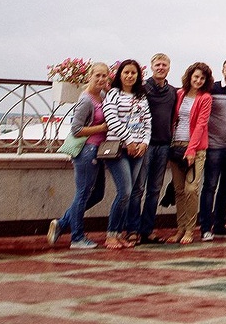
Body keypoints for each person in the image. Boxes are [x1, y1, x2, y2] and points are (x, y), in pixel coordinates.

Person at [47, 61, 113, 249]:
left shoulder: (101, 95)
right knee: (83, 194)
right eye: (97, 75)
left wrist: (108, 90)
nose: (100, 79)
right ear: (90, 76)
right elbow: (76, 130)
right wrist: (100, 128)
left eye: (104, 76)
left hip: (98, 152)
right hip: (86, 151)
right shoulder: (85, 100)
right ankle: (77, 237)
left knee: (97, 194)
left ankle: (62, 223)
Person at [102, 59, 151, 248]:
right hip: (118, 149)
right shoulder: (113, 94)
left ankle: (120, 232)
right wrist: (129, 140)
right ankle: (111, 234)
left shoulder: (141, 96)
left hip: (138, 149)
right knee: (125, 191)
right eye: (126, 72)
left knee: (130, 194)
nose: (130, 76)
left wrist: (144, 143)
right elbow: (111, 119)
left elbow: (147, 121)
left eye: (133, 73)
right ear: (120, 75)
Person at [169, 62, 213, 244]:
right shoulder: (179, 94)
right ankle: (180, 229)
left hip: (196, 149)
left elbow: (201, 125)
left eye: (202, 78)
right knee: (179, 191)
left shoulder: (205, 98)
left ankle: (189, 230)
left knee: (191, 189)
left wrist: (191, 149)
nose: (198, 80)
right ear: (189, 76)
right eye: (196, 77)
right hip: (176, 146)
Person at [199, 58, 226, 241]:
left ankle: (220, 225)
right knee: (209, 187)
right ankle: (206, 227)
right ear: (222, 70)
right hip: (214, 147)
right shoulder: (212, 89)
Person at [137, 53, 177, 244]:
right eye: (157, 65)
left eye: (164, 65)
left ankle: (147, 230)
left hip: (163, 145)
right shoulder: (143, 89)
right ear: (151, 67)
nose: (161, 68)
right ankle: (132, 229)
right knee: (138, 189)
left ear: (169, 68)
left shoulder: (172, 92)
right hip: (145, 145)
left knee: (154, 189)